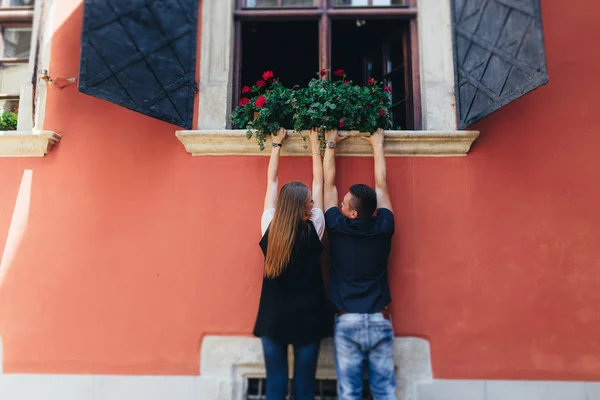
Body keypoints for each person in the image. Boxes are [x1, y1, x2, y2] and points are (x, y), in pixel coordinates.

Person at [253, 128, 332, 400]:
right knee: (303, 388)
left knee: (274, 388)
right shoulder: (316, 225)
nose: (313, 202)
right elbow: (319, 185)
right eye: (309, 200)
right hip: (309, 318)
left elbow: (271, 182)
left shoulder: (269, 225)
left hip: (273, 318)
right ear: (305, 207)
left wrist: (277, 144)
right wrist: (314, 145)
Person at [323, 128, 397, 399]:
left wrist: (330, 143)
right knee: (385, 392)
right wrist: (377, 144)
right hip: (379, 320)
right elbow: (382, 187)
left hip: (347, 322)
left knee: (350, 393)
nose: (339, 204)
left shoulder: (337, 227)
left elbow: (328, 186)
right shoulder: (384, 226)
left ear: (352, 213)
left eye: (343, 204)